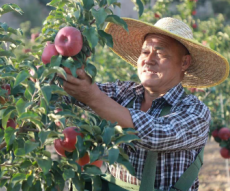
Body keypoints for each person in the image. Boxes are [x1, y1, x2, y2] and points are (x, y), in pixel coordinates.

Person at [60, 17, 229, 191]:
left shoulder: (196, 111)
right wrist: (61, 68)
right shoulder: (125, 92)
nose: (149, 60)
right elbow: (73, 92)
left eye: (160, 53)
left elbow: (156, 134)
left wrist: (93, 97)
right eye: (145, 52)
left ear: (184, 62)